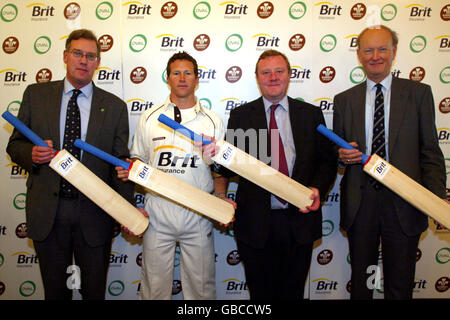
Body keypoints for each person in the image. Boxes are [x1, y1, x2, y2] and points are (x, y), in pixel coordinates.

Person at [6, 29, 136, 300]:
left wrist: (127, 212)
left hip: (95, 215)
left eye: (91, 56)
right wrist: (30, 155)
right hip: (49, 214)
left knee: (93, 292)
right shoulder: (36, 95)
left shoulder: (114, 107)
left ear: (98, 62)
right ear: (65, 56)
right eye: (77, 53)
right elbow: (15, 145)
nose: (83, 60)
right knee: (55, 293)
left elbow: (119, 164)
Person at [211, 50, 337, 300]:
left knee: (293, 293)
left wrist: (317, 189)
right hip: (256, 224)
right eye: (265, 72)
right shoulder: (241, 116)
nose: (273, 77)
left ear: (289, 75)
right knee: (261, 295)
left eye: (279, 71)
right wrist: (213, 156)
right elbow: (228, 167)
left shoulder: (310, 114)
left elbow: (327, 161)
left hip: (299, 221)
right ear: (257, 77)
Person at [333, 25, 446, 299]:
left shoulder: (418, 94)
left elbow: (430, 151)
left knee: (399, 284)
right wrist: (341, 157)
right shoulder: (344, 100)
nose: (376, 56)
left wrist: (436, 201)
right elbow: (335, 155)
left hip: (404, 204)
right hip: (361, 205)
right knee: (364, 284)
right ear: (359, 55)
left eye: (382, 49)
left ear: (394, 52)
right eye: (368, 50)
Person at [116, 51, 234, 300]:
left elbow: (219, 170)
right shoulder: (149, 117)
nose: (182, 78)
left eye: (188, 73)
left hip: (199, 212)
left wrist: (221, 196)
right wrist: (130, 169)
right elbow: (138, 161)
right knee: (154, 288)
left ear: (197, 79)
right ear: (167, 78)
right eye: (176, 73)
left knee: (201, 289)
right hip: (158, 213)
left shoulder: (213, 122)